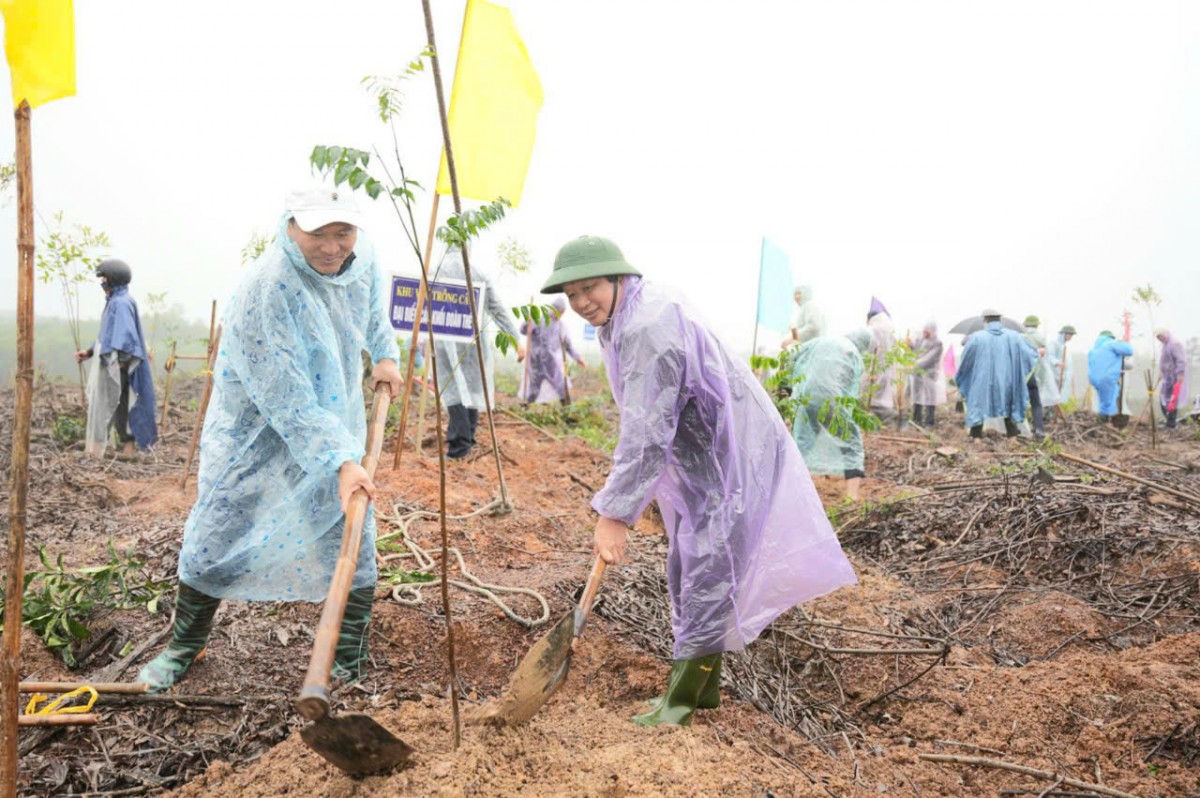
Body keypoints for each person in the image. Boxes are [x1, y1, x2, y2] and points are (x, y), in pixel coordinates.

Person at [541, 235, 857, 728]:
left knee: (707, 571)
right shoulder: (629, 315)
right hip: (707, 459)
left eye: (590, 288)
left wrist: (615, 514)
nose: (582, 302)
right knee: (692, 567)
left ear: (618, 278)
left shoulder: (646, 325)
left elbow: (646, 432)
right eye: (572, 294)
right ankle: (701, 690)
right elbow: (649, 423)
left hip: (728, 459)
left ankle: (681, 702)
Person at [136, 187, 403, 692]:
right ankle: (184, 647)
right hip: (256, 429)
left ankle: (347, 659)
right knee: (216, 533)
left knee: (350, 536)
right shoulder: (267, 288)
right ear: (289, 227)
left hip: (333, 423)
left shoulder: (360, 258)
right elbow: (285, 395)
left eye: (342, 232)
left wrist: (384, 353)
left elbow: (372, 308)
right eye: (317, 233)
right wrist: (341, 459)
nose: (332, 246)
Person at [431, 247, 524, 459]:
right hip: (473, 342)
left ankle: (459, 447)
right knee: (472, 389)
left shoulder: (435, 270)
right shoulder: (477, 272)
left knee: (454, 390)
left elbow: (421, 305)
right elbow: (497, 308)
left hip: (445, 341)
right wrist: (516, 340)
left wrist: (420, 339)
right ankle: (467, 439)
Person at [75, 259, 158, 457]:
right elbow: (108, 336)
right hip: (118, 363)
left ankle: (95, 452)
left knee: (105, 405)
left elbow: (125, 336)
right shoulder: (118, 300)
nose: (102, 282)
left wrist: (118, 361)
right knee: (122, 406)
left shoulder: (120, 303)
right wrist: (89, 352)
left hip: (117, 365)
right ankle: (127, 451)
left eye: (104, 278)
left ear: (113, 279)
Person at [790, 330, 872, 499]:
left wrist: (789, 388)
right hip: (831, 400)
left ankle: (792, 490)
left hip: (807, 397)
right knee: (852, 445)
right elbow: (851, 392)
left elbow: (793, 357)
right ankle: (852, 496)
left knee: (803, 444)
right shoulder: (854, 353)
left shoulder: (821, 341)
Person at [955, 309, 1038, 441]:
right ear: (1000, 320)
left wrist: (967, 375)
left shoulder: (976, 337)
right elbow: (1030, 354)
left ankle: (977, 438)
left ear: (985, 321)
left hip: (982, 380)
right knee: (1010, 403)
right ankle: (1012, 438)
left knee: (978, 404)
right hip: (1007, 380)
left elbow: (966, 360)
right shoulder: (1014, 336)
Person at [521, 296, 585, 404]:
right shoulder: (537, 320)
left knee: (561, 384)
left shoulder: (560, 326)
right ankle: (526, 407)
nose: (560, 315)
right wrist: (527, 322)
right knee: (533, 388)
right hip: (536, 361)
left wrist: (578, 358)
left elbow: (567, 344)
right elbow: (524, 331)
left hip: (551, 362)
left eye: (562, 313)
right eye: (559, 312)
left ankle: (568, 409)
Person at [1021, 315, 1059, 439]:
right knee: (1036, 403)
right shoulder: (1041, 338)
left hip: (1021, 374)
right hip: (1034, 375)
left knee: (1019, 402)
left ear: (1025, 325)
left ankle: (1021, 430)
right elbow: (1044, 361)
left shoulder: (1020, 337)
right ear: (1037, 325)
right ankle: (1039, 430)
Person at [1087, 330, 1134, 422]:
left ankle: (1104, 420)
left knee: (1104, 400)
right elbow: (1129, 351)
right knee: (1109, 401)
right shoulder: (1111, 344)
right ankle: (1104, 422)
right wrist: (1123, 343)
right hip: (1107, 378)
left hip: (1094, 379)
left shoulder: (1094, 349)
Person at [863, 297, 896, 419]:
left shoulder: (873, 330)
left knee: (871, 393)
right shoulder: (888, 330)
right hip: (886, 368)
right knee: (883, 392)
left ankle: (871, 416)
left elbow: (868, 350)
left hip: (873, 368)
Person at [910, 320, 945, 428]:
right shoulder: (920, 340)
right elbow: (915, 353)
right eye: (924, 329)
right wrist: (910, 346)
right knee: (917, 396)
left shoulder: (937, 343)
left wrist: (913, 365)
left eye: (927, 330)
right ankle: (916, 419)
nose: (924, 332)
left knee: (930, 397)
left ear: (932, 331)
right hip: (918, 374)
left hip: (929, 374)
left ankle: (929, 422)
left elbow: (927, 359)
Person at [1156, 329, 1189, 429]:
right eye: (1158, 337)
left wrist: (1180, 373)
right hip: (1167, 377)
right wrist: (1161, 372)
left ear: (1166, 334)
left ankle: (1171, 423)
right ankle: (1169, 420)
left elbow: (1181, 360)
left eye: (1161, 336)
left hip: (1175, 376)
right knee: (1163, 398)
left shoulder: (1175, 344)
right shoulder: (1165, 346)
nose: (1160, 339)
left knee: (1173, 399)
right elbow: (1164, 362)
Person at [779, 284, 827, 349]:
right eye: (795, 294)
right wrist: (794, 345)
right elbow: (798, 337)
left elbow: (814, 327)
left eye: (799, 293)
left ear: (806, 294)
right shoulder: (801, 310)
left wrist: (791, 339)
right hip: (807, 349)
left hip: (813, 348)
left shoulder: (810, 306)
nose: (796, 297)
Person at [1047, 325, 1076, 403]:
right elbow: (1049, 356)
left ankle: (1054, 414)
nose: (1071, 337)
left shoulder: (1063, 346)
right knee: (1051, 398)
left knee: (1057, 397)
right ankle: (1049, 414)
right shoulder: (1053, 344)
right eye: (1070, 335)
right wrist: (1057, 363)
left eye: (1072, 335)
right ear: (1064, 334)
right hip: (1053, 376)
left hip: (1060, 376)